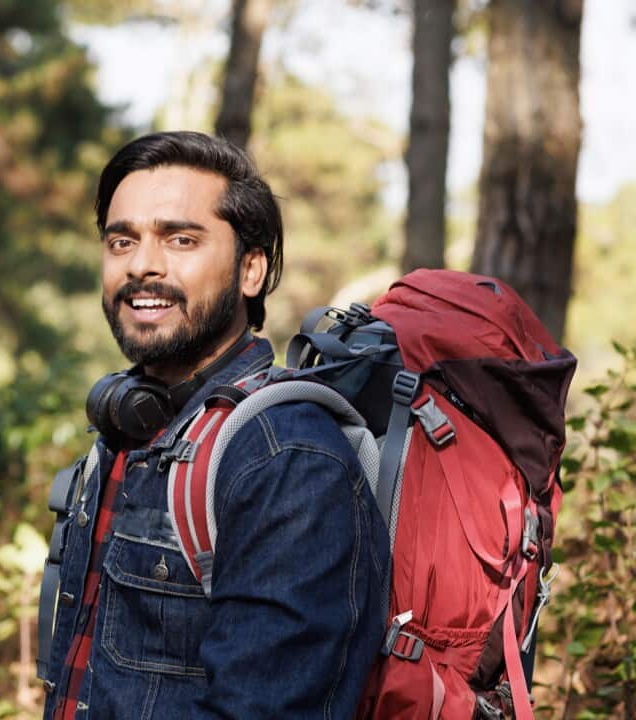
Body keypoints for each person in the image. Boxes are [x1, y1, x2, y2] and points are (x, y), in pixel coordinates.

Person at [40, 131, 388, 719]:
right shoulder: (131, 429)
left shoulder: (288, 458)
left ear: (251, 270)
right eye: (121, 240)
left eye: (181, 239)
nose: (143, 265)